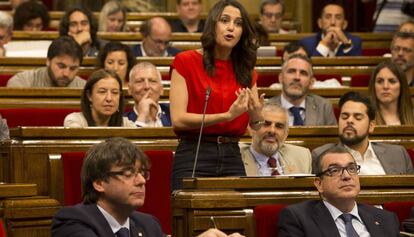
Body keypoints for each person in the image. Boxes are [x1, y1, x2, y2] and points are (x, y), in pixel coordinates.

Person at [51, 137, 244, 237]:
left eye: (142, 172)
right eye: (128, 173)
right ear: (99, 183)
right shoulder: (73, 221)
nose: (141, 180)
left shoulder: (148, 224)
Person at [169, 0, 264, 191]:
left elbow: (255, 125)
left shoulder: (246, 69)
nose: (231, 28)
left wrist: (256, 114)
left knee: (236, 217)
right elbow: (178, 120)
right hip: (194, 151)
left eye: (238, 24)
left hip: (232, 153)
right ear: (213, 24)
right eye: (225, 20)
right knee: (189, 217)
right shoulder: (186, 62)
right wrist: (227, 116)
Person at [278, 146, 400, 237]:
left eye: (351, 168)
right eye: (335, 170)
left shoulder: (386, 219)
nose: (346, 176)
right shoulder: (298, 218)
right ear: (319, 184)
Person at [312, 91, 414, 175]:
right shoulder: (321, 155)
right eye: (344, 116)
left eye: (358, 117)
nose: (349, 121)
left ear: (371, 126)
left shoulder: (398, 154)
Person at [240, 102, 311, 176]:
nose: (272, 131)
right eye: (266, 124)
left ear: (286, 134)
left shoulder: (302, 156)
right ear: (251, 129)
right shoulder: (236, 158)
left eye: (279, 126)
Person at [269, 54, 337, 126]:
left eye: (303, 73)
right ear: (281, 78)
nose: (297, 77)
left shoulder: (324, 107)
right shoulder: (265, 108)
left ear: (311, 82)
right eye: (291, 71)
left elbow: (333, 137)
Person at [64, 69, 135, 128]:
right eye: (102, 92)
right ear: (89, 95)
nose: (109, 98)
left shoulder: (126, 125)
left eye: (115, 92)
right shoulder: (75, 121)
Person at [7, 36, 85, 88]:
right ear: (48, 61)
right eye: (61, 66)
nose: (66, 74)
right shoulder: (22, 81)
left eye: (73, 68)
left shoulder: (84, 87)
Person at [125, 62, 171, 127]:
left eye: (152, 81)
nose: (147, 86)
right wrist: (142, 116)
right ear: (130, 89)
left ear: (161, 89)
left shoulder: (173, 114)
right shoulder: (123, 121)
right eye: (139, 81)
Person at [368, 60, 414, 125]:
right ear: (373, 86)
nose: (385, 86)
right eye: (380, 81)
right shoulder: (365, 118)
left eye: (392, 81)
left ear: (402, 86)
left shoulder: (412, 116)